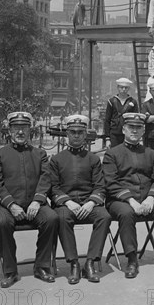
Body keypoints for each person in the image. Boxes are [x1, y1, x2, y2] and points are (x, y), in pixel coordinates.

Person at [0, 111, 59, 288]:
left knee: (51, 218)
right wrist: (11, 205)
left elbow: (45, 178)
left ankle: (42, 266)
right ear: (9, 130)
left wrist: (37, 201)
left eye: (24, 128)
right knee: (1, 221)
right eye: (16, 128)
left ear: (30, 130)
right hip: (5, 205)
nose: (20, 132)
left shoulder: (39, 154)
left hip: (34, 204)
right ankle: (10, 271)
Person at [103, 113, 154, 279]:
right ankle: (131, 259)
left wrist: (151, 198)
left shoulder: (150, 153)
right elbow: (111, 183)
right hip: (120, 200)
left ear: (143, 130)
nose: (134, 131)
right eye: (131, 127)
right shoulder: (112, 154)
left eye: (138, 128)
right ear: (123, 129)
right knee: (126, 213)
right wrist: (131, 201)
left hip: (146, 200)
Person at [42, 114, 112, 284]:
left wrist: (90, 202)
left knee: (104, 216)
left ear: (85, 134)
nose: (76, 135)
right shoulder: (57, 160)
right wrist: (68, 201)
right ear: (67, 134)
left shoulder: (93, 159)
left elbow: (99, 185)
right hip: (67, 204)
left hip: (88, 203)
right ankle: (73, 263)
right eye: (73, 132)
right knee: (62, 217)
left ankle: (90, 262)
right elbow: (54, 187)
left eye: (80, 132)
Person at [103, 78, 139, 148]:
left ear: (128, 89)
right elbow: (107, 120)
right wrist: (107, 138)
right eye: (121, 87)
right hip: (114, 134)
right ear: (118, 88)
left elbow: (135, 121)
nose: (123, 89)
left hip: (128, 134)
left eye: (126, 88)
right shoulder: (111, 101)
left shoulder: (133, 102)